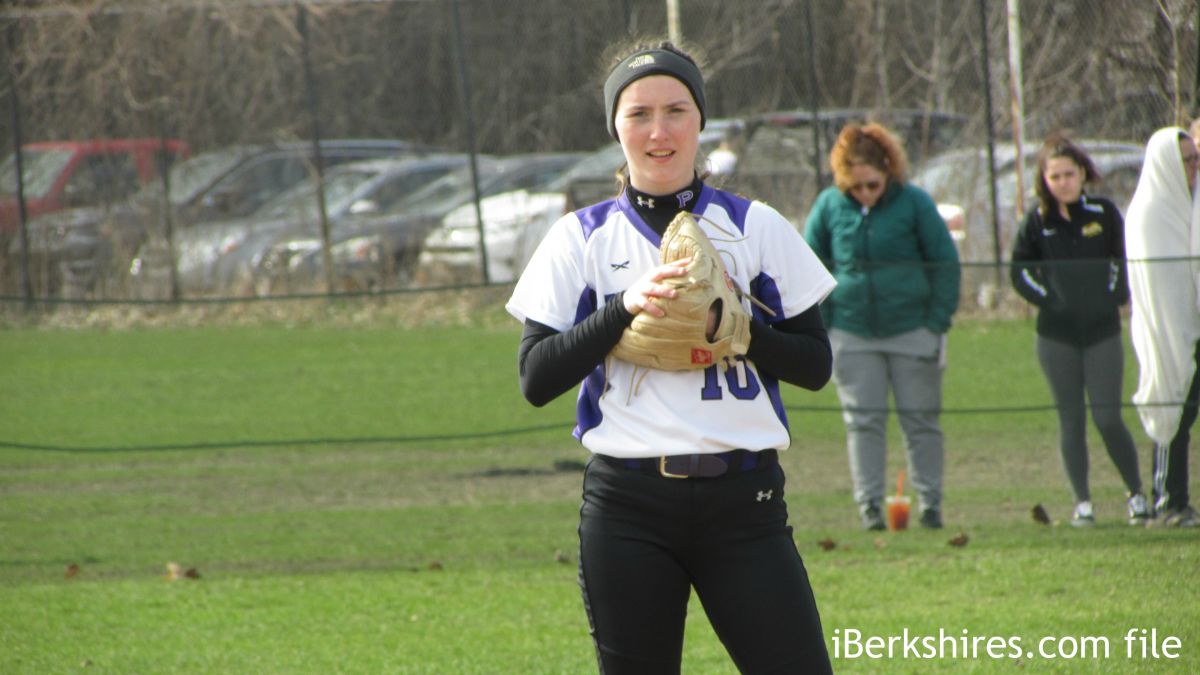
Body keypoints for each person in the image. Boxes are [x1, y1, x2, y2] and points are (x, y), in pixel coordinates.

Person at [506, 40, 837, 672]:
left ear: (700, 121)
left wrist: (738, 328)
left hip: (745, 502)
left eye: (676, 110)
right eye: (638, 114)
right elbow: (536, 378)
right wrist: (622, 309)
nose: (658, 131)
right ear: (616, 128)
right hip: (628, 507)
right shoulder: (581, 236)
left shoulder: (756, 226)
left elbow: (815, 366)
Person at [804, 122, 961, 531]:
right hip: (851, 333)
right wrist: (827, 325)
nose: (865, 194)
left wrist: (935, 323)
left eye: (872, 185)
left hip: (913, 331)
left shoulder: (915, 203)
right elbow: (808, 267)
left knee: (921, 422)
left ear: (888, 171)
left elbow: (945, 263)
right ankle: (870, 507)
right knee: (863, 423)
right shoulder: (828, 206)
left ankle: (930, 505)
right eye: (855, 187)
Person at [1010, 133, 1149, 527]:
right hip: (1056, 336)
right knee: (1070, 419)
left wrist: (1113, 296)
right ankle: (1082, 503)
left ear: (1083, 174)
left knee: (1107, 417)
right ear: (1044, 180)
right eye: (1054, 176)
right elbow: (1019, 271)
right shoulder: (1037, 221)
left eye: (1069, 174)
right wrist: (1050, 300)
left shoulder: (1103, 214)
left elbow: (1122, 261)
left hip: (1102, 332)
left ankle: (1137, 494)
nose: (1063, 183)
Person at [1124, 126, 1200, 527]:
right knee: (1175, 411)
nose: (1193, 167)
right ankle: (1169, 500)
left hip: (1194, 324)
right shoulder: (1151, 211)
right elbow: (1160, 283)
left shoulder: (1188, 205)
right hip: (1169, 329)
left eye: (1195, 158)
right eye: (1186, 160)